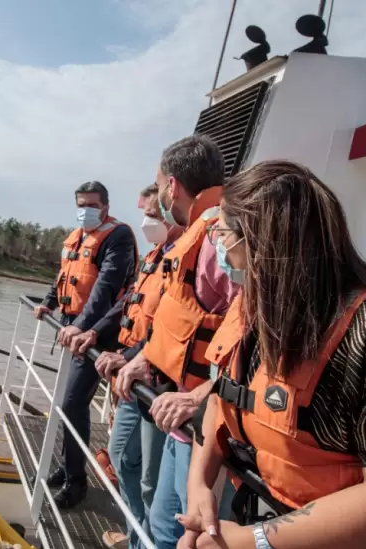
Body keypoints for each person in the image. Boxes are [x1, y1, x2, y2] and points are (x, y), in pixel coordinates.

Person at [179, 160, 366, 549]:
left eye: (222, 230)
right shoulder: (255, 310)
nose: (218, 242)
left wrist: (249, 541)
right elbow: (221, 403)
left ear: (258, 239)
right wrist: (199, 491)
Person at [112, 135, 240, 549]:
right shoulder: (194, 237)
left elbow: (257, 338)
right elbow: (178, 318)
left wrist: (200, 395)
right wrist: (143, 359)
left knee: (195, 537)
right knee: (165, 529)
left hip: (209, 428)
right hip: (180, 420)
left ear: (172, 187)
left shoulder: (225, 240)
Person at [69, 183, 180, 549]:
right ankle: (137, 534)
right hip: (132, 379)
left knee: (151, 479)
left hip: (158, 384)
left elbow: (173, 327)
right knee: (119, 456)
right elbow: (127, 302)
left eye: (150, 214)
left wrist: (130, 357)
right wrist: (94, 332)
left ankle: (143, 540)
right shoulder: (154, 256)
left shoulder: (182, 261)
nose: (145, 221)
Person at [35, 180, 138, 509]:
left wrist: (83, 327)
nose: (86, 211)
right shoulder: (77, 237)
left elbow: (105, 288)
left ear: (105, 206)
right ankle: (67, 467)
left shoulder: (117, 236)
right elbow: (64, 273)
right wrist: (49, 303)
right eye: (81, 204)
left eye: (92, 205)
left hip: (98, 332)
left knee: (72, 403)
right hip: (70, 326)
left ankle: (76, 481)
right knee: (67, 402)